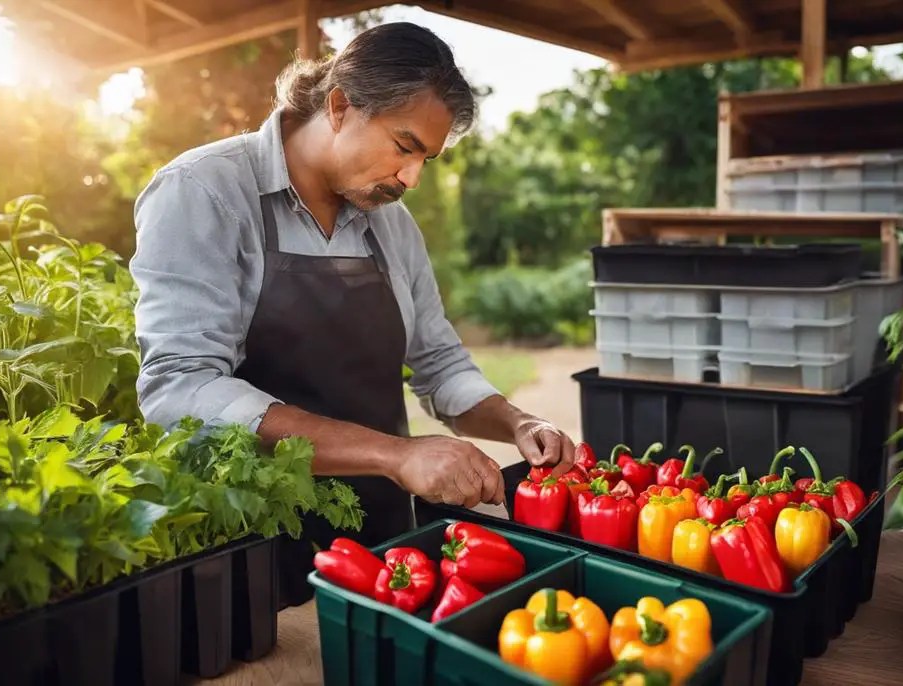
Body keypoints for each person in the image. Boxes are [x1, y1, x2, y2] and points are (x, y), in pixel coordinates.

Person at [129, 22, 578, 589]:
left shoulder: (391, 222)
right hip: (250, 547)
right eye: (404, 146)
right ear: (340, 105)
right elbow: (180, 387)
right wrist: (396, 455)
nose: (412, 178)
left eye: (427, 159)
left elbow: (438, 363)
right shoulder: (204, 191)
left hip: (386, 555)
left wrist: (518, 422)